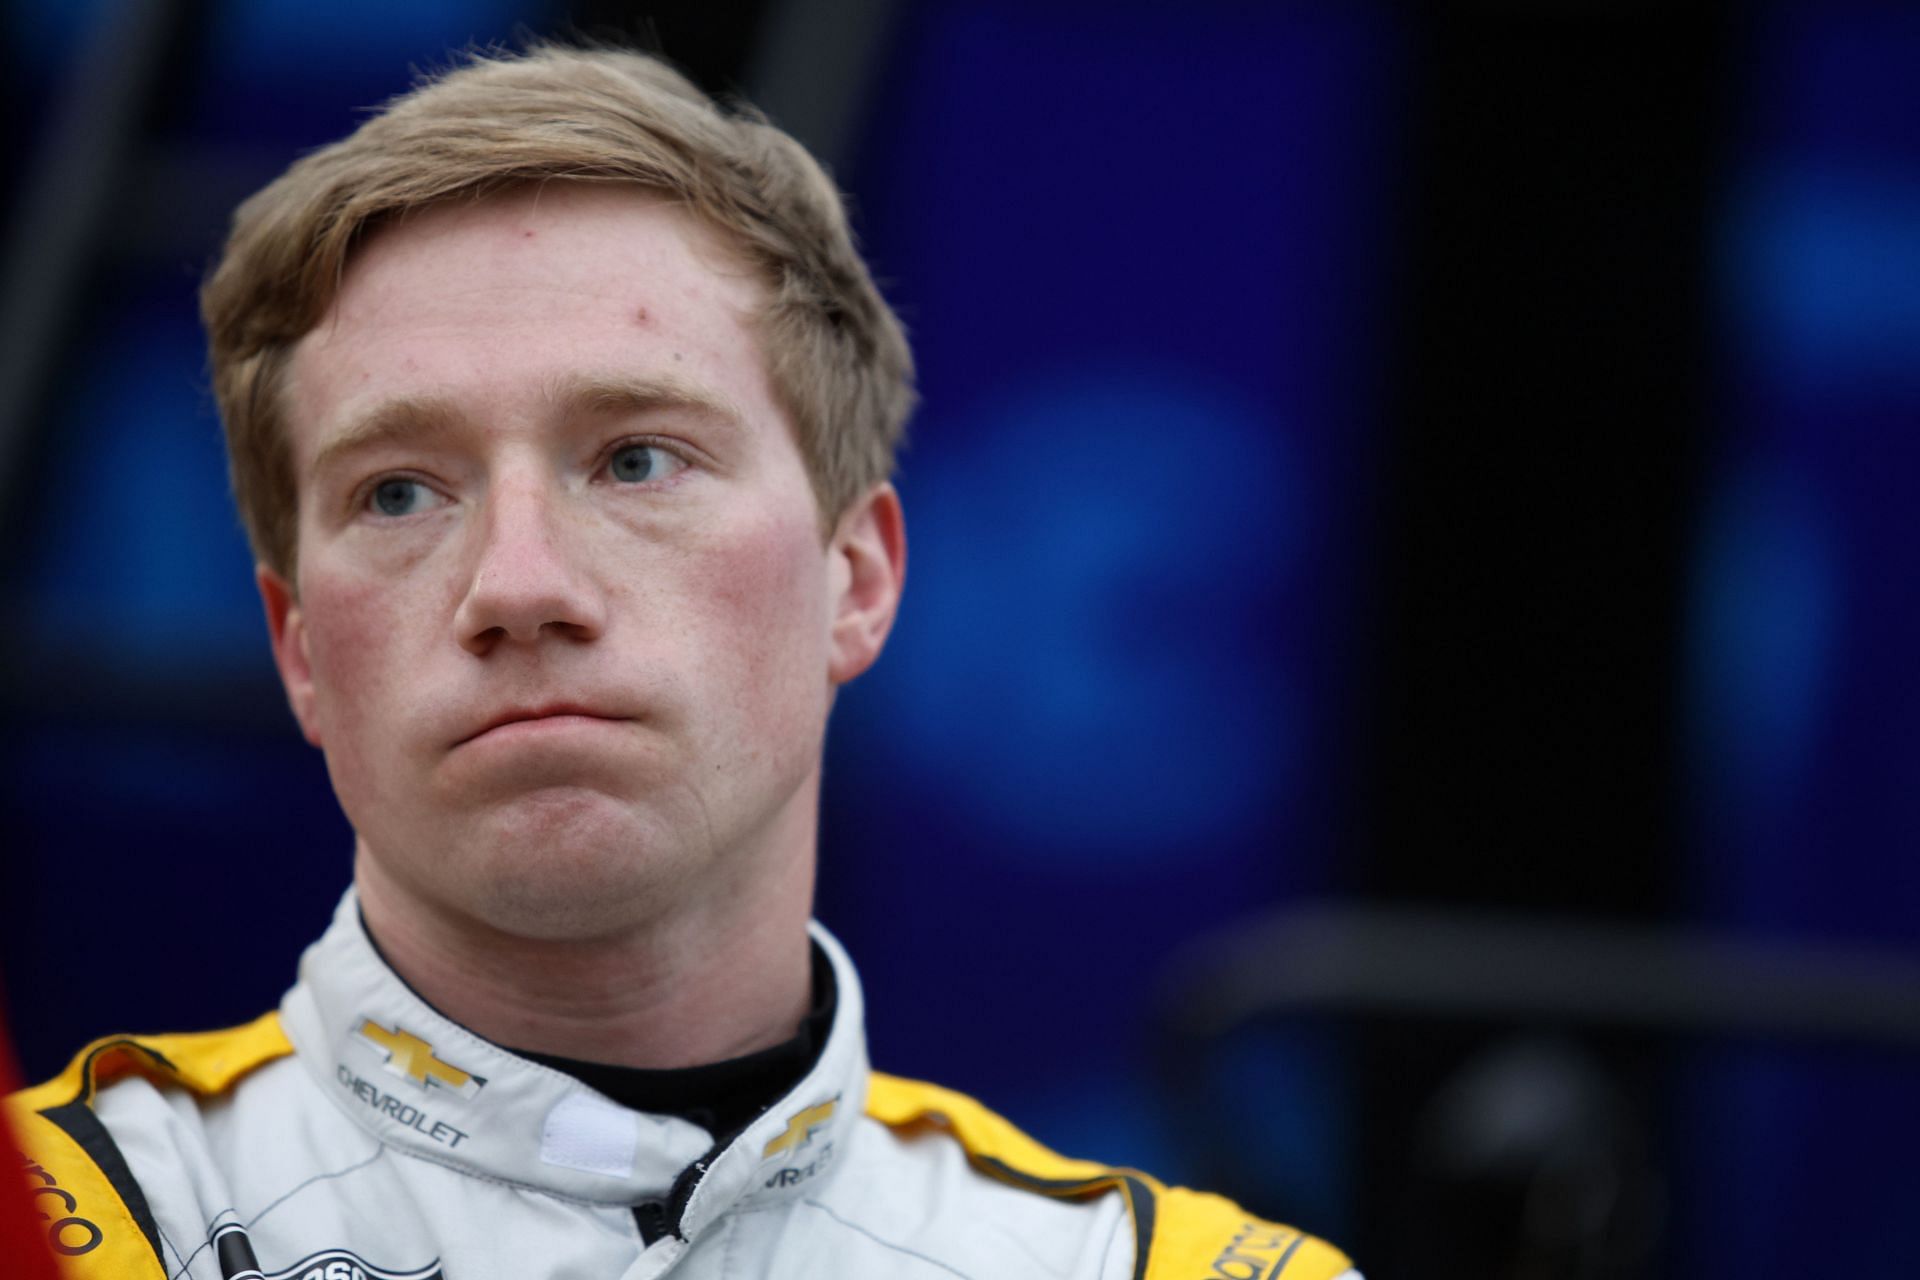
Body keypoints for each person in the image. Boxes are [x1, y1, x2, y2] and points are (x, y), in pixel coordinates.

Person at [6, 44, 1358, 1280]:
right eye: (402, 494)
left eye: (638, 458)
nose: (518, 586)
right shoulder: (62, 1222)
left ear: (860, 579)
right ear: (298, 647)